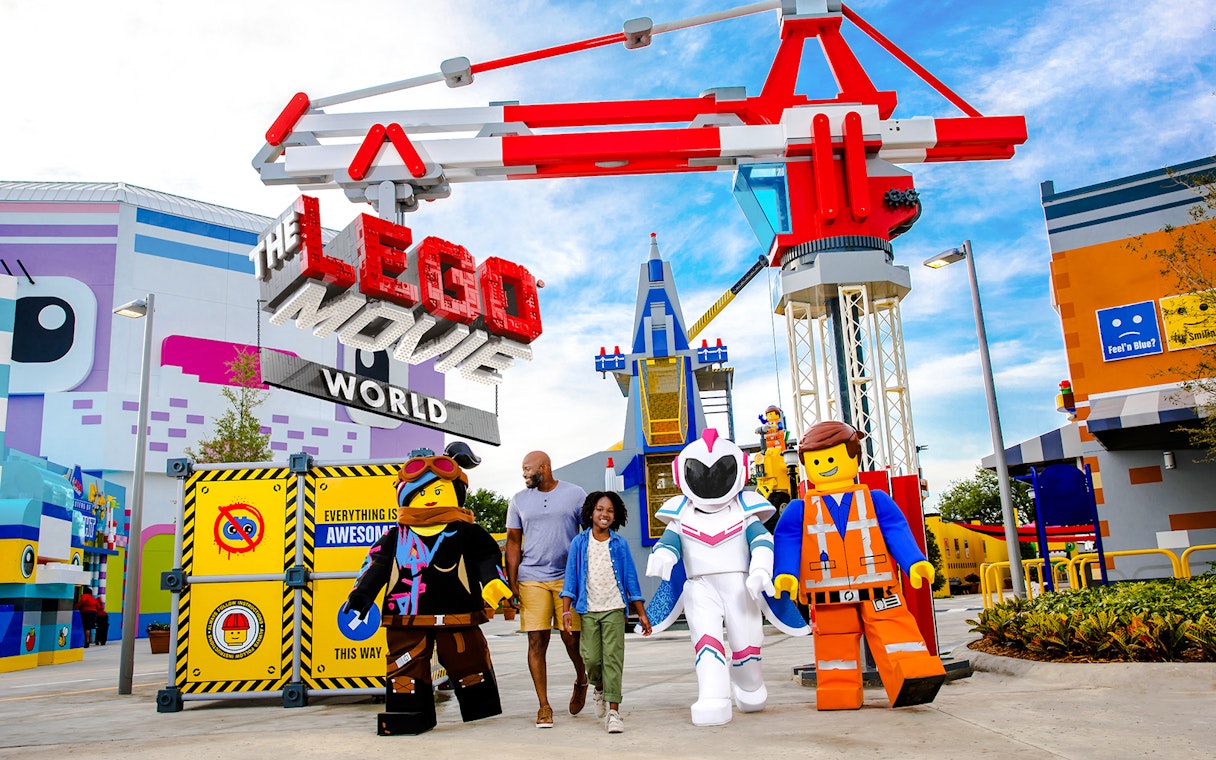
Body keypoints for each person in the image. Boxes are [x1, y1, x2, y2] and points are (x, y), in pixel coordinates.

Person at [773, 420, 946, 711]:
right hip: (828, 591)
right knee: (834, 644)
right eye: (817, 460)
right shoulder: (800, 508)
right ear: (806, 463)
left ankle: (914, 676)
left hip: (878, 585)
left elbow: (896, 530)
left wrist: (914, 562)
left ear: (853, 456)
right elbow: (787, 539)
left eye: (832, 457)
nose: (826, 465)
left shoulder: (875, 499)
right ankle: (839, 690)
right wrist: (786, 574)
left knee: (896, 632)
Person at [344, 442, 512, 735]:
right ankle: (409, 715)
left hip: (457, 613)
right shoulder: (395, 536)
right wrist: (361, 595)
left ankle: (479, 708)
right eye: (421, 493)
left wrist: (494, 582)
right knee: (404, 668)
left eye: (437, 491)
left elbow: (487, 556)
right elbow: (377, 566)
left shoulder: (467, 532)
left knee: (469, 660)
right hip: (405, 616)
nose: (431, 499)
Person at [645, 429, 776, 726]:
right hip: (700, 586)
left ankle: (748, 682)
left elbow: (762, 542)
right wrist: (663, 557)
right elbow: (669, 542)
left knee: (747, 644)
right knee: (706, 642)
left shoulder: (746, 508)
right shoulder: (681, 513)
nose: (710, 477)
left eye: (719, 471)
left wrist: (760, 570)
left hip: (741, 585)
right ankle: (713, 695)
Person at [505, 450, 588, 729]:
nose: (524, 473)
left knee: (571, 639)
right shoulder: (518, 500)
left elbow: (589, 535)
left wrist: (587, 575)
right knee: (536, 641)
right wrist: (512, 580)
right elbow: (513, 542)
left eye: (528, 468)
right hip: (532, 577)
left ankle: (581, 678)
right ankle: (544, 705)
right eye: (522, 469)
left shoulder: (575, 494)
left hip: (567, 577)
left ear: (545, 466)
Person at [560, 491, 652, 734]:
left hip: (614, 608)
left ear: (615, 516)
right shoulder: (579, 543)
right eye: (600, 509)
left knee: (613, 659)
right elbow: (570, 579)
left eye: (610, 511)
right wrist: (565, 611)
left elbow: (631, 580)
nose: (605, 514)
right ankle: (598, 687)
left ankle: (613, 712)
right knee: (590, 658)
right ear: (591, 512)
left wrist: (641, 613)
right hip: (588, 609)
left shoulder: (619, 544)